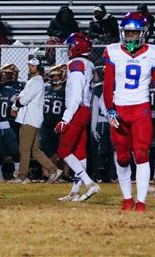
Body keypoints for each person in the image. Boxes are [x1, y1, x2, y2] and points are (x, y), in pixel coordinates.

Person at [103, 12, 155, 212]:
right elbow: (108, 84)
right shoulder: (113, 51)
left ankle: (141, 202)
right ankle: (127, 198)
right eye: (127, 33)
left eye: (134, 33)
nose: (129, 37)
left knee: (141, 154)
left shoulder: (153, 53)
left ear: (143, 34)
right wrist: (110, 109)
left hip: (141, 110)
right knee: (121, 157)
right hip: (119, 110)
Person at [55, 33, 102, 201]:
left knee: (64, 150)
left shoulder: (76, 63)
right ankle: (75, 192)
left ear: (77, 47)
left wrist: (65, 118)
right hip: (85, 110)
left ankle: (89, 184)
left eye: (70, 46)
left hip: (77, 110)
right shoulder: (88, 64)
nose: (68, 50)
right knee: (79, 152)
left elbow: (75, 95)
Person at [11, 58, 63, 184]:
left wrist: (16, 104)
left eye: (33, 66)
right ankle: (54, 169)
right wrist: (17, 102)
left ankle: (22, 176)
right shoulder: (35, 81)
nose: (30, 67)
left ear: (38, 67)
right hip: (33, 118)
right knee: (34, 150)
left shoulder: (36, 81)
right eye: (29, 65)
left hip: (30, 119)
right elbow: (22, 97)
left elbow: (23, 99)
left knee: (24, 149)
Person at [40, 66, 65, 172]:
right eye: (52, 76)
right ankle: (46, 175)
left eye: (57, 76)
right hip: (46, 124)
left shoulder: (66, 90)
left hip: (59, 124)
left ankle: (61, 174)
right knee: (46, 151)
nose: (54, 78)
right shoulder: (45, 88)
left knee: (60, 152)